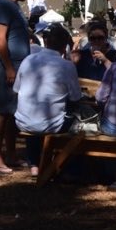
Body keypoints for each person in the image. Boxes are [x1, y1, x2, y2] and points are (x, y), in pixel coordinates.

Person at [13, 24, 80, 175]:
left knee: (36, 112)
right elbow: (75, 97)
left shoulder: (28, 60)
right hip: (52, 125)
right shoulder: (67, 66)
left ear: (46, 42)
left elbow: (16, 90)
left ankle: (34, 163)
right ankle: (59, 161)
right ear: (65, 47)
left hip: (22, 121)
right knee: (73, 116)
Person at [0, 0, 31, 174]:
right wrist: (9, 67)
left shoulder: (13, 6)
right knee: (3, 110)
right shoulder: (4, 6)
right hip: (7, 65)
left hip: (16, 64)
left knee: (13, 111)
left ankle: (11, 154)